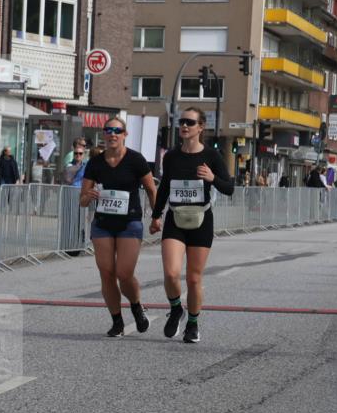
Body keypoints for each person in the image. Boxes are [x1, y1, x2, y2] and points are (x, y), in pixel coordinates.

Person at [149, 107, 234, 344]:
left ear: (201, 127)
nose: (184, 126)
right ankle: (177, 308)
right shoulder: (171, 156)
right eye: (181, 122)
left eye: (190, 122)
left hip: (201, 220)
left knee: (194, 279)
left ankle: (193, 324)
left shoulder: (212, 156)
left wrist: (212, 178)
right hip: (175, 218)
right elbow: (164, 187)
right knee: (171, 273)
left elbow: (229, 188)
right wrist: (156, 216)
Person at [80, 117, 157, 337]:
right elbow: (82, 200)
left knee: (124, 273)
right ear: (104, 134)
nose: (112, 134)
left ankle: (136, 305)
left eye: (117, 130)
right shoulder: (95, 163)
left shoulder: (135, 159)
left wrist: (156, 217)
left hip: (129, 222)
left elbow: (151, 190)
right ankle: (117, 321)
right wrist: (89, 195)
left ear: (125, 134)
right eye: (108, 130)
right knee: (107, 273)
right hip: (103, 224)